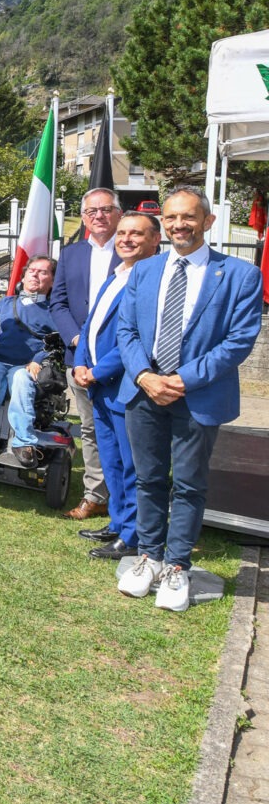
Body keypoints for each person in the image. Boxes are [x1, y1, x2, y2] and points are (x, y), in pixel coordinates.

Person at [115, 187, 263, 611]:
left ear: (208, 221)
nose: (179, 225)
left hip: (197, 396)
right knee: (148, 479)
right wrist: (145, 375)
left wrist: (180, 380)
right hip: (143, 392)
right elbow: (126, 332)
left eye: (189, 217)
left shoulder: (238, 274)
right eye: (172, 218)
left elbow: (238, 341)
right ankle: (148, 557)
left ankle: (177, 566)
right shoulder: (144, 270)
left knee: (190, 484)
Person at [73, 211, 161, 560]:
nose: (125, 239)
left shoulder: (152, 279)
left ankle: (135, 535)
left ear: (155, 240)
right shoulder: (116, 275)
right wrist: (80, 361)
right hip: (97, 383)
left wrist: (96, 371)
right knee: (110, 461)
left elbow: (137, 339)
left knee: (130, 464)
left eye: (136, 234)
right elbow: (91, 324)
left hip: (124, 386)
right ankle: (119, 523)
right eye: (122, 233)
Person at [49, 187, 121, 521]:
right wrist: (77, 338)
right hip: (79, 357)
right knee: (91, 429)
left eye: (105, 209)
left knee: (125, 430)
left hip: (121, 358)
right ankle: (96, 495)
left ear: (118, 213)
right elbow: (58, 302)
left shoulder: (134, 250)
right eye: (91, 212)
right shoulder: (72, 253)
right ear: (84, 218)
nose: (98, 217)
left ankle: (126, 498)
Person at [0, 257, 60, 466]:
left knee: (21, 381)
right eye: (32, 271)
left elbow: (56, 341)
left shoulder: (54, 310)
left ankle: (24, 441)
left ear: (52, 280)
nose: (35, 274)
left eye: (43, 272)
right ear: (24, 276)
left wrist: (38, 360)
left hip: (26, 364)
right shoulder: (8, 302)